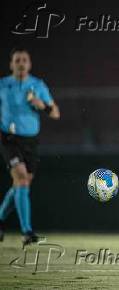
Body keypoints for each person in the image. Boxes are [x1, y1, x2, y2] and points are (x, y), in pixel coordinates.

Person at [0, 48, 60, 246]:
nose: (21, 63)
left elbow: (55, 113)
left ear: (29, 64)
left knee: (21, 184)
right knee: (22, 180)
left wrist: (41, 104)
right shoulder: (3, 85)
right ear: (11, 64)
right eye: (17, 60)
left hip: (30, 141)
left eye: (24, 60)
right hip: (9, 139)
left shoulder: (37, 85)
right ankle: (27, 232)